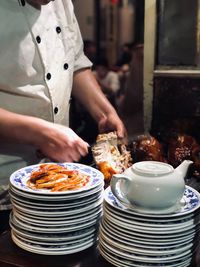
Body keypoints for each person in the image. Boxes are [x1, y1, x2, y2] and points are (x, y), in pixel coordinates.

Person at [0, 0, 126, 232]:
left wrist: (103, 110)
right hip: (4, 181)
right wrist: (39, 133)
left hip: (57, 175)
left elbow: (75, 62)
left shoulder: (62, 3)